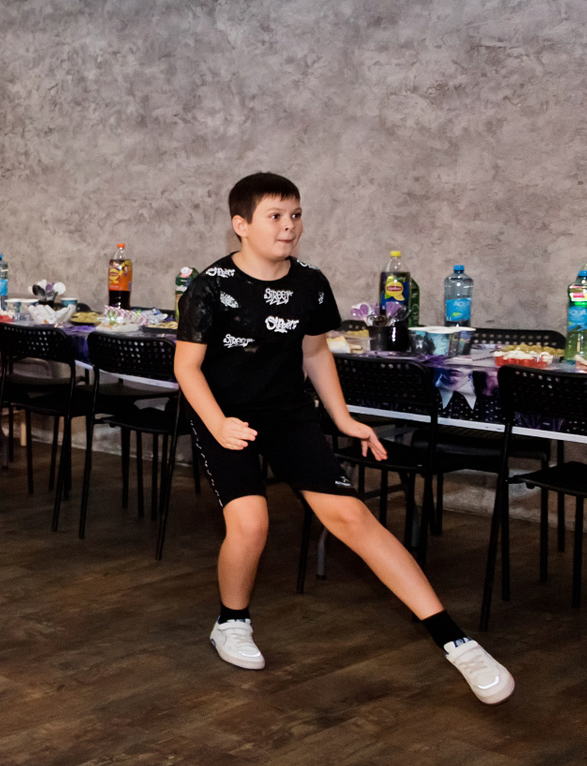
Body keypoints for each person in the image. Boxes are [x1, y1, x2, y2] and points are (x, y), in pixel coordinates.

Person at [175, 172, 515, 703]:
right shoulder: (210, 286)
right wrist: (218, 423)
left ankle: (457, 642)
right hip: (225, 416)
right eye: (274, 216)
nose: (289, 226)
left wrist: (343, 418)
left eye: (295, 215)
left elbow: (314, 354)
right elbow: (187, 368)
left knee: (353, 517)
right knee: (251, 522)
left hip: (289, 414)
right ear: (241, 225)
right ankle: (231, 621)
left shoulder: (310, 283)